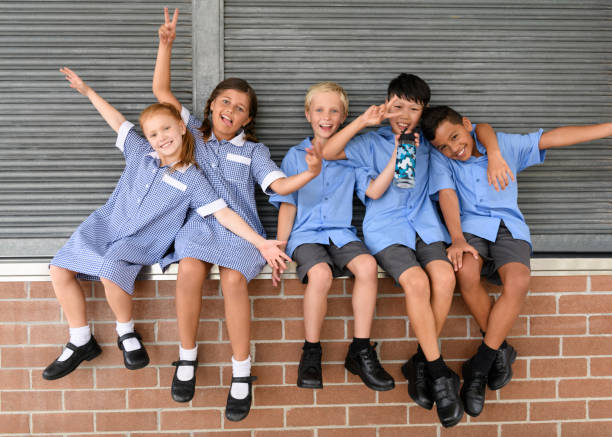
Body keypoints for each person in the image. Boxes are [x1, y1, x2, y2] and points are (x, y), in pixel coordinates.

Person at [44, 68, 289, 381]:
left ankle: (126, 333)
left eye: (167, 130)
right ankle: (80, 338)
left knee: (111, 270)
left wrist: (260, 241)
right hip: (105, 224)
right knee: (58, 268)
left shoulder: (192, 177)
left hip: (141, 239)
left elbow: (223, 213)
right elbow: (117, 122)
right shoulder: (140, 152)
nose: (161, 138)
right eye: (153, 134)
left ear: (184, 129)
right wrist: (89, 92)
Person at [153, 8, 322, 421]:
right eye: (225, 101)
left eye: (241, 108)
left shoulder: (254, 152)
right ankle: (187, 357)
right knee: (190, 268)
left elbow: (278, 187)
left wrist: (309, 173)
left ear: (248, 119)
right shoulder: (192, 131)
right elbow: (162, 93)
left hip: (243, 229)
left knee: (232, 281)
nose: (231, 109)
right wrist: (166, 45)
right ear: (212, 105)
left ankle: (242, 372)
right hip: (200, 223)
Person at [321, 73, 510, 427]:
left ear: (423, 113)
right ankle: (438, 373)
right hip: (387, 229)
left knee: (443, 277)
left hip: (425, 225)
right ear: (387, 104)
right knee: (418, 284)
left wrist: (455, 237)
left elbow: (474, 139)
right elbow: (327, 151)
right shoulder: (369, 142)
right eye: (399, 106)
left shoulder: (429, 144)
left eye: (414, 108)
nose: (406, 114)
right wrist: (366, 121)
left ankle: (421, 361)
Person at [422, 104, 612, 417]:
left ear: (466, 125)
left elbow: (552, 138)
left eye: (455, 137)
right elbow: (447, 196)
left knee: (519, 280)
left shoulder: (503, 146)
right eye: (443, 145)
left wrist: (607, 128)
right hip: (470, 229)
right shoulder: (444, 161)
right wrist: (456, 238)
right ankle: (499, 351)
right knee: (465, 272)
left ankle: (480, 366)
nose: (454, 148)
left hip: (508, 227)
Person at [270, 82, 394, 392]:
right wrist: (280, 246)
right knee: (321, 274)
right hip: (306, 235)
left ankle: (361, 350)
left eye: (334, 111)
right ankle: (311, 352)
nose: (327, 116)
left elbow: (374, 190)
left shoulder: (353, 157)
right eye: (320, 110)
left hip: (340, 233)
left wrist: (403, 153)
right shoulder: (297, 156)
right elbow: (288, 204)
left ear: (343, 116)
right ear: (308, 114)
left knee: (367, 266)